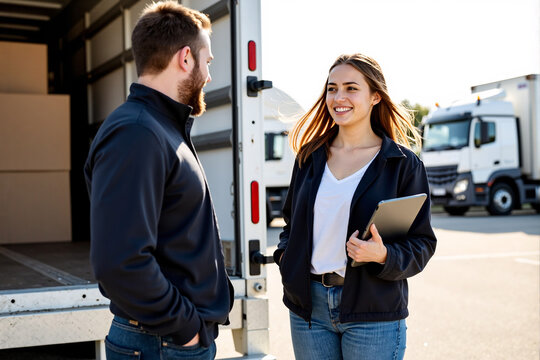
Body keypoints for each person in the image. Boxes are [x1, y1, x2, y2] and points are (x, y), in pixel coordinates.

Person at [84, 2, 233, 359]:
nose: (209, 76)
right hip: (161, 343)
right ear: (185, 58)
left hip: (165, 340)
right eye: (207, 62)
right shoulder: (137, 133)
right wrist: (186, 330)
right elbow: (119, 262)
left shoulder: (160, 128)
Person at [273, 53, 437, 360]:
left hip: (372, 311)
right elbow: (290, 227)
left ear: (375, 96)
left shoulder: (403, 165)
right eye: (332, 88)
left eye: (351, 88)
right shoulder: (309, 157)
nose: (338, 97)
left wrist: (384, 255)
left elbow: (423, 243)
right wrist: (287, 259)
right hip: (309, 309)